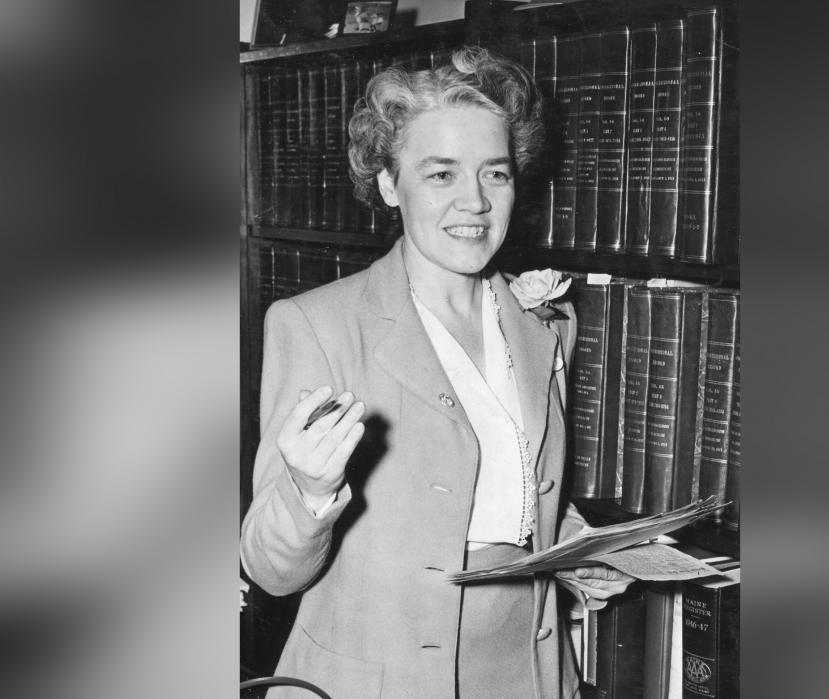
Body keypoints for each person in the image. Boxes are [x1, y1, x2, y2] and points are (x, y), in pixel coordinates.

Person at [240, 46, 634, 699]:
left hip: (528, 677)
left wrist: (579, 549)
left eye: (495, 173)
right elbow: (270, 570)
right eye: (442, 174)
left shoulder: (544, 320)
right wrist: (309, 491)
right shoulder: (316, 325)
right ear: (388, 184)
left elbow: (512, 494)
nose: (474, 201)